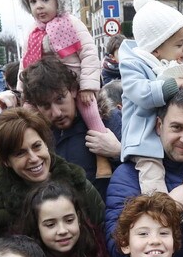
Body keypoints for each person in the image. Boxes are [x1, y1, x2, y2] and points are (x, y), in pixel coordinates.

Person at [106, 85, 183, 257]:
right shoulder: (127, 177)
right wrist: (172, 206)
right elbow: (117, 249)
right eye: (177, 128)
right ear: (159, 126)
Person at [119, 0, 183, 199]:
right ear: (155, 48)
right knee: (151, 170)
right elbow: (142, 93)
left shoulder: (170, 64)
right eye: (179, 44)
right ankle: (162, 205)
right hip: (144, 134)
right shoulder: (133, 65)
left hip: (169, 130)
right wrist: (174, 84)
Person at [14, 0, 106, 169]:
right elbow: (25, 61)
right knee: (27, 115)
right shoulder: (33, 32)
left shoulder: (70, 22)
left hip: (75, 82)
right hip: (41, 84)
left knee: (90, 109)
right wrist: (22, 91)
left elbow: (89, 52)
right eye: (33, 1)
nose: (39, 6)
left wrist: (88, 85)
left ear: (58, 0)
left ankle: (101, 154)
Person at [0, 107, 105, 236]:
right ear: (6, 161)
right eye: (20, 153)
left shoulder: (79, 185)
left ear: (45, 144)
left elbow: (103, 229)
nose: (33, 158)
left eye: (37, 146)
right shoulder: (0, 206)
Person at [22, 55, 122, 195]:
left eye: (60, 99)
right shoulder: (35, 134)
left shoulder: (108, 120)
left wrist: (119, 152)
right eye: (45, 106)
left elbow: (141, 168)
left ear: (74, 90)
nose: (56, 113)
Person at [24, 181, 113, 257]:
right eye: (50, 224)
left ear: (79, 218)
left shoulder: (100, 254)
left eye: (69, 220)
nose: (62, 231)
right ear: (36, 227)